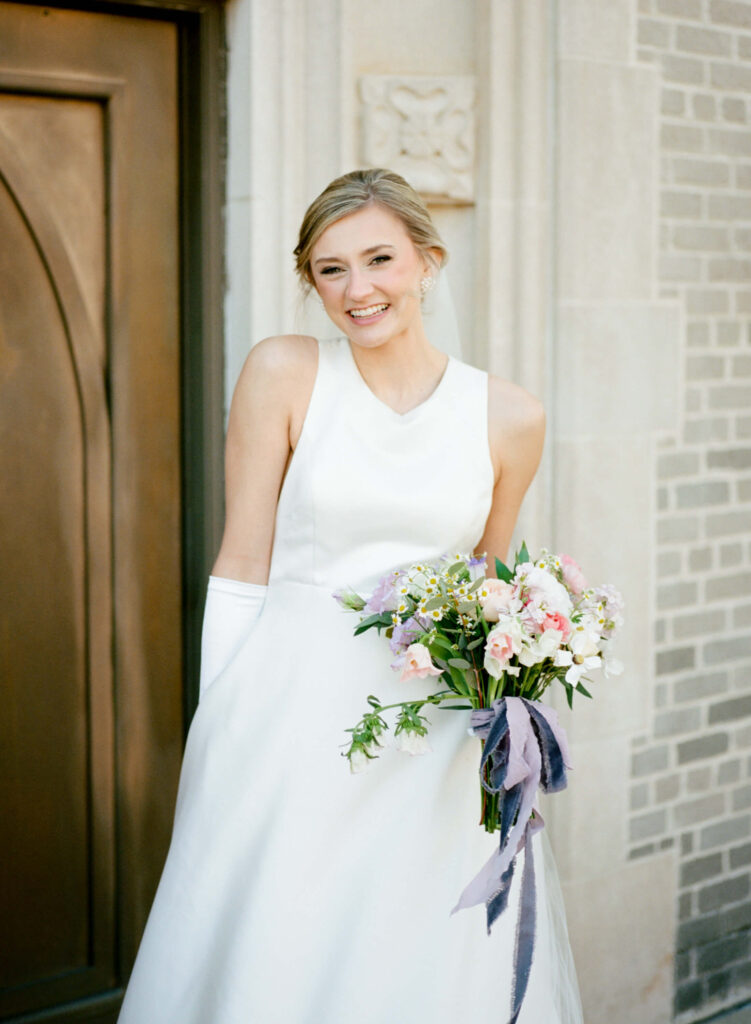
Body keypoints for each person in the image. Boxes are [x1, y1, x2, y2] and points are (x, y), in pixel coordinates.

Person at [117, 168, 583, 1023]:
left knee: (409, 948)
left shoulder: (509, 415)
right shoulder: (285, 372)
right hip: (283, 716)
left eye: (379, 260)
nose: (357, 290)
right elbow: (242, 559)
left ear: (428, 262)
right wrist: (217, 723)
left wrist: (510, 697)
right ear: (310, 281)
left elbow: (488, 584)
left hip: (427, 736)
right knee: (277, 936)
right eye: (331, 269)